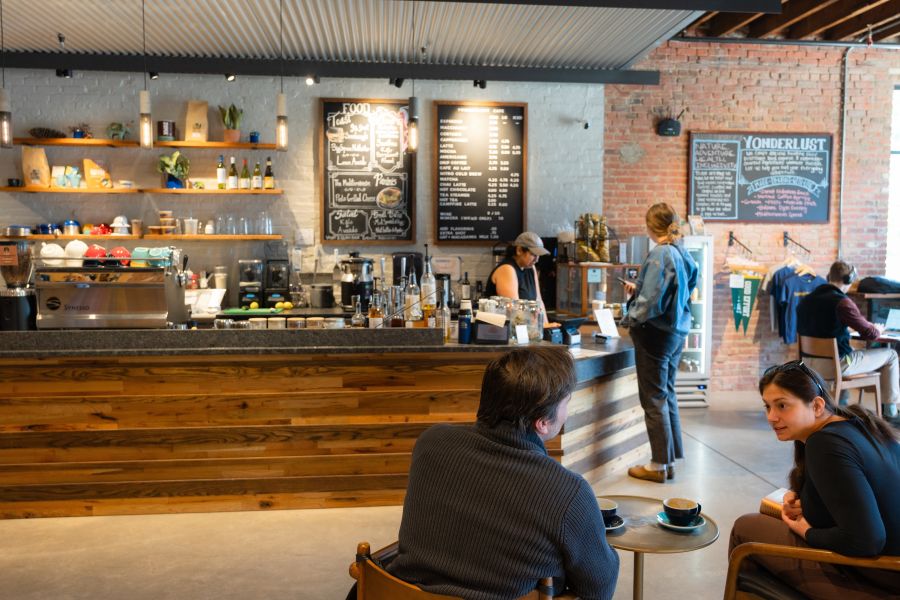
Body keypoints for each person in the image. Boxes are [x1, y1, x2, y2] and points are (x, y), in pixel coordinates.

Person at [386, 346, 619, 600]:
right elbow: (598, 589)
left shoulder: (431, 442)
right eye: (567, 402)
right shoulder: (568, 492)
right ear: (542, 422)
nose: (567, 412)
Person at [729, 360, 900, 598]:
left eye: (782, 405)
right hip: (888, 568)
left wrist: (807, 531)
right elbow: (857, 490)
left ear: (817, 405)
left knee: (745, 528)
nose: (771, 417)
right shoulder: (858, 422)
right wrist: (803, 499)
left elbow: (867, 540)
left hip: (882, 576)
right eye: (767, 406)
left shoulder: (825, 445)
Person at [620, 203, 697, 483]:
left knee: (653, 398)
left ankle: (657, 466)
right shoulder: (681, 251)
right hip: (676, 331)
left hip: (654, 333)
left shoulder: (659, 253)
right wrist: (638, 289)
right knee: (668, 394)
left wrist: (628, 319)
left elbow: (651, 301)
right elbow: (685, 286)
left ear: (651, 226)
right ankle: (670, 460)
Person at [796, 260, 900, 424]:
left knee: (849, 349)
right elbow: (870, 333)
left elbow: (822, 328)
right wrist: (878, 329)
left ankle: (840, 406)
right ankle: (891, 412)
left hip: (809, 365)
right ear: (848, 280)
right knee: (892, 355)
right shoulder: (842, 302)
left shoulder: (806, 301)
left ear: (829, 276)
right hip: (838, 364)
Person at [485, 231, 551, 317]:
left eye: (538, 255)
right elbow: (514, 311)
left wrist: (546, 326)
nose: (536, 260)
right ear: (519, 250)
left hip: (525, 326)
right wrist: (535, 327)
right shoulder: (507, 269)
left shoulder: (531, 267)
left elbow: (538, 301)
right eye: (533, 254)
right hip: (502, 328)